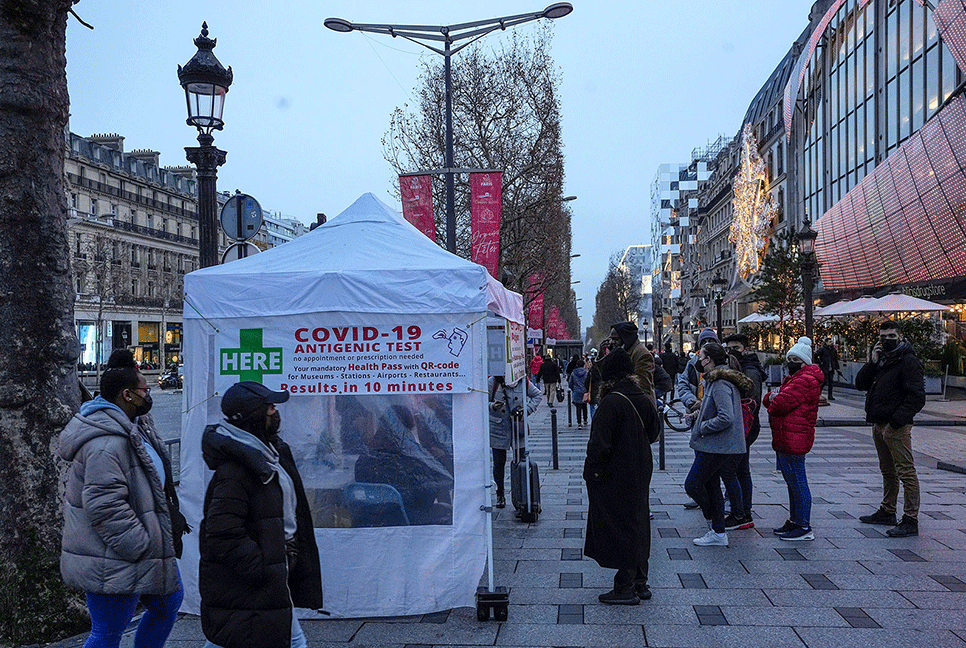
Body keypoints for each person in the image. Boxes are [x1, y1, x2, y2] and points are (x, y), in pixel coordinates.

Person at [58, 366, 183, 648]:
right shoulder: (106, 443)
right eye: (144, 390)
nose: (148, 395)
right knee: (108, 631)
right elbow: (105, 507)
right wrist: (141, 544)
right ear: (127, 395)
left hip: (140, 552)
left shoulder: (133, 428)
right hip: (115, 556)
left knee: (168, 604)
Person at [200, 382, 323, 648]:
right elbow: (222, 533)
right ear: (252, 415)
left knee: (260, 637)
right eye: (269, 407)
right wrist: (265, 566)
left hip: (269, 573)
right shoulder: (236, 470)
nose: (274, 411)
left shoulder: (269, 452)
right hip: (255, 578)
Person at [583, 348, 660, 605]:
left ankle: (624, 586)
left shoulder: (611, 401)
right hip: (641, 466)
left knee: (620, 524)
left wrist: (592, 473)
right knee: (638, 520)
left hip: (616, 470)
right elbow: (654, 432)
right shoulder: (642, 395)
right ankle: (640, 581)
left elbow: (599, 444)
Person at [855, 320, 926, 538]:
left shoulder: (908, 361)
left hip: (896, 425)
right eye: (882, 337)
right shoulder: (883, 361)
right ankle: (887, 510)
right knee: (888, 471)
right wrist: (872, 362)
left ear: (901, 337)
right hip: (878, 423)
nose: (886, 341)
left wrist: (896, 423)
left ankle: (910, 519)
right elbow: (860, 384)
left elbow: (917, 397)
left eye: (891, 337)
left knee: (906, 472)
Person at [684, 343, 752, 547]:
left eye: (701, 356)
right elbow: (714, 408)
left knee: (693, 484)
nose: (699, 360)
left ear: (709, 360)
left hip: (717, 445)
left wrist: (703, 426)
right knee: (712, 485)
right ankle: (718, 532)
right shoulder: (717, 381)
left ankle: (713, 520)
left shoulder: (721, 383)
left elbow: (726, 417)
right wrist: (696, 415)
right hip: (715, 444)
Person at [762, 337, 824, 541]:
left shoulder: (805, 380)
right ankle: (795, 520)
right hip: (787, 436)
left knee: (797, 481)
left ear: (805, 362)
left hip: (794, 437)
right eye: (790, 358)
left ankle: (803, 525)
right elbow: (773, 399)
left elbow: (779, 404)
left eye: (795, 359)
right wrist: (772, 398)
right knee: (792, 481)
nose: (791, 362)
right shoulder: (796, 379)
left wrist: (773, 398)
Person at [720, 334, 767, 531]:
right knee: (741, 469)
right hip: (743, 427)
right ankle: (743, 512)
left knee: (731, 470)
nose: (733, 351)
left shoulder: (750, 371)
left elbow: (751, 402)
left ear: (746, 349)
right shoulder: (739, 368)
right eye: (729, 348)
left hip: (745, 427)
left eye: (737, 347)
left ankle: (740, 513)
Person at [676, 328, 720, 510]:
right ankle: (703, 495)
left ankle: (722, 500)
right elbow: (683, 384)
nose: (707, 345)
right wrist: (690, 400)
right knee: (699, 459)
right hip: (697, 416)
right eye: (704, 342)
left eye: (711, 341)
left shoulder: (721, 364)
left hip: (714, 418)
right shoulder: (693, 363)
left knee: (719, 466)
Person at [489, 375, 542, 508]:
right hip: (498, 428)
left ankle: (523, 495)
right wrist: (493, 406)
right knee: (499, 463)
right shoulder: (493, 381)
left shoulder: (522, 380)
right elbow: (481, 401)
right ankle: (500, 493)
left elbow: (537, 395)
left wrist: (527, 410)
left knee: (522, 461)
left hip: (518, 427)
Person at [610, 322, 656, 407]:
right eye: (611, 339)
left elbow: (643, 385)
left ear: (625, 338)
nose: (613, 342)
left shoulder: (642, 354)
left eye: (616, 339)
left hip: (639, 406)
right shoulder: (625, 352)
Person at [569, 359, 590, 428]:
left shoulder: (573, 373)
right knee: (584, 406)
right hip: (584, 391)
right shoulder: (586, 372)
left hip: (576, 391)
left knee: (578, 407)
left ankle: (579, 422)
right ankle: (585, 420)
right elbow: (588, 382)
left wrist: (573, 389)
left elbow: (570, 383)